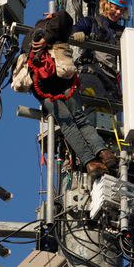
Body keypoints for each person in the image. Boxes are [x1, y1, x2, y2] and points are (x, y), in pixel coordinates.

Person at [16, 10, 118, 176]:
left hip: (45, 90)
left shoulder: (28, 40)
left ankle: (91, 163)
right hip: (63, 83)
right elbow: (65, 18)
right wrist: (49, 35)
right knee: (80, 119)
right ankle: (104, 153)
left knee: (68, 124)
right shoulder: (53, 28)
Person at [71, 0, 129, 102]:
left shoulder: (123, 33)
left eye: (121, 10)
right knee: (93, 107)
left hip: (112, 83)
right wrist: (77, 34)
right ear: (106, 4)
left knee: (107, 116)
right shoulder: (93, 23)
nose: (118, 12)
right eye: (115, 7)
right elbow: (73, 29)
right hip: (92, 73)